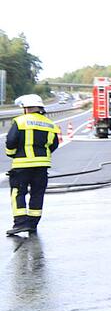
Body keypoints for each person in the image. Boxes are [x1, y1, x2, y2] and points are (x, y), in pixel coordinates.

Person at [5, 94, 60, 236]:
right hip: (42, 166)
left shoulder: (20, 121)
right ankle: (32, 224)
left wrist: (11, 153)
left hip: (21, 165)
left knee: (18, 192)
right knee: (37, 193)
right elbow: (54, 145)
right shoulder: (50, 124)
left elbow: (11, 142)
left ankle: (20, 223)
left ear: (26, 108)